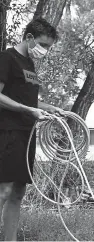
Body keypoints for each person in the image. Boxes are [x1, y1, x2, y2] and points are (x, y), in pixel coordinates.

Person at [0, 18, 65, 240]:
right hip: (7, 132)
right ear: (29, 38)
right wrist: (26, 111)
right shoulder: (7, 58)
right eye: (43, 45)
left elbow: (29, 101)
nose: (45, 51)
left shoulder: (30, 65)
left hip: (27, 135)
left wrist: (52, 109)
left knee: (18, 193)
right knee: (3, 191)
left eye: (48, 47)